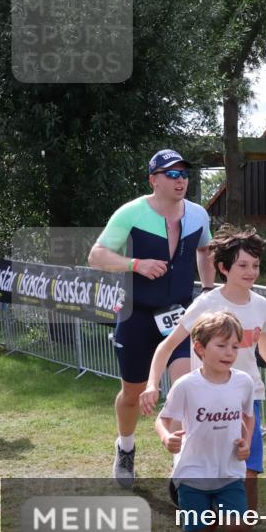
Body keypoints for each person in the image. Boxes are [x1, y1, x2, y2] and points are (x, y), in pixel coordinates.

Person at [140, 225, 266, 517]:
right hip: (204, 400)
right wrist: (151, 384)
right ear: (223, 267)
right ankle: (184, 480)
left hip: (247, 398)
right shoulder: (206, 304)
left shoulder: (261, 306)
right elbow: (166, 347)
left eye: (256, 265)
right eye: (243, 265)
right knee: (207, 467)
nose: (251, 271)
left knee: (248, 470)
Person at [88, 149, 214, 488]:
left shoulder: (199, 215)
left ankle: (182, 467)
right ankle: (125, 448)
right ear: (153, 180)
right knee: (133, 392)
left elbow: (205, 249)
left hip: (180, 318)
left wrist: (207, 289)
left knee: (184, 387)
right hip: (137, 316)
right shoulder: (131, 212)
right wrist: (136, 264)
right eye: (172, 174)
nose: (181, 180)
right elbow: (96, 255)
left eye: (184, 174)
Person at [155, 310, 256, 532]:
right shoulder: (186, 385)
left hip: (228, 471)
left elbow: (248, 417)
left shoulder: (243, 382)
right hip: (193, 473)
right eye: (221, 345)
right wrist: (166, 438)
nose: (229, 353)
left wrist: (246, 444)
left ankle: (214, 519)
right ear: (199, 348)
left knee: (237, 526)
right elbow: (163, 419)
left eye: (235, 347)